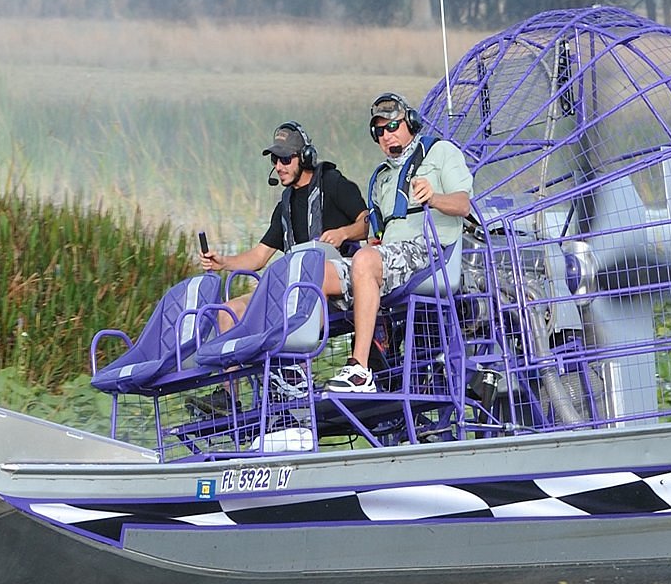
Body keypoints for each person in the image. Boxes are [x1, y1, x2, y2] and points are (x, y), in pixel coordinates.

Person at [326, 92, 473, 393]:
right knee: (316, 270)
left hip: (430, 251)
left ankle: (359, 369)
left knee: (365, 260)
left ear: (411, 123)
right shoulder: (381, 178)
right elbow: (375, 235)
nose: (386, 135)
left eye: (392, 126)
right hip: (389, 255)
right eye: (379, 131)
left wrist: (433, 197)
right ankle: (292, 375)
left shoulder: (440, 152)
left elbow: (463, 205)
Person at [199, 120, 368, 329]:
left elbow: (369, 223)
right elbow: (259, 257)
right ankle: (240, 362)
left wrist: (344, 233)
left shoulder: (333, 184)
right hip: (294, 288)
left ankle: (293, 357)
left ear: (305, 158)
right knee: (229, 312)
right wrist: (223, 262)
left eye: (286, 159)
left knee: (299, 295)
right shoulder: (284, 206)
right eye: (275, 159)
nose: (279, 167)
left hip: (335, 289)